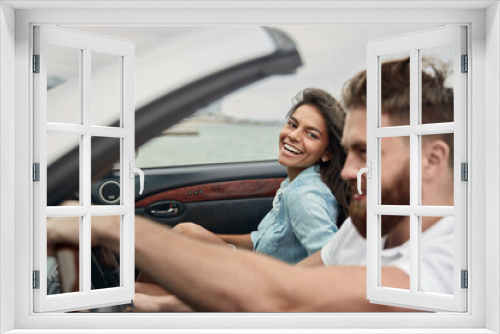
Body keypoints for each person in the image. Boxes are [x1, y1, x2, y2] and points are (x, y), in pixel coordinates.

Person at [47, 57, 455, 312]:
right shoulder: (367, 226)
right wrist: (164, 306)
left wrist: (110, 227)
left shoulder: (437, 270)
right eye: (352, 152)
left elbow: (284, 298)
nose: (350, 172)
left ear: (432, 159)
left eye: (367, 153)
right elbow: (298, 280)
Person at [172, 88, 350, 264]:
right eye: (293, 124)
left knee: (184, 233)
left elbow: (331, 263)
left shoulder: (303, 194)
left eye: (311, 134)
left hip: (266, 284)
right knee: (185, 237)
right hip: (258, 269)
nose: (293, 135)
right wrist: (211, 238)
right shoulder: (296, 183)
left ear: (327, 153)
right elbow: (260, 241)